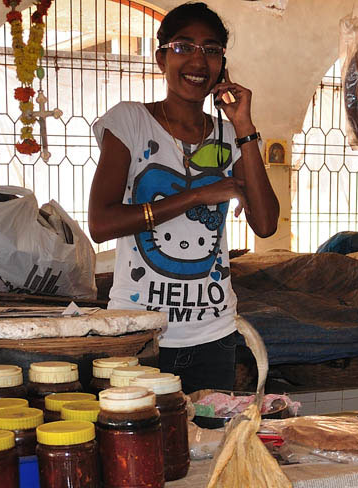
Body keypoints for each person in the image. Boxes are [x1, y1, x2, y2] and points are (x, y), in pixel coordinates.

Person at [88, 2, 278, 392]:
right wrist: (198, 196)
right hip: (140, 336)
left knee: (208, 449)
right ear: (161, 57)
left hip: (214, 336)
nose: (197, 60)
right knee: (138, 448)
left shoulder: (230, 137)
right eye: (183, 46)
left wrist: (243, 126)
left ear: (222, 64)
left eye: (211, 50)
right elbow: (101, 223)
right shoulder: (130, 121)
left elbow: (266, 222)